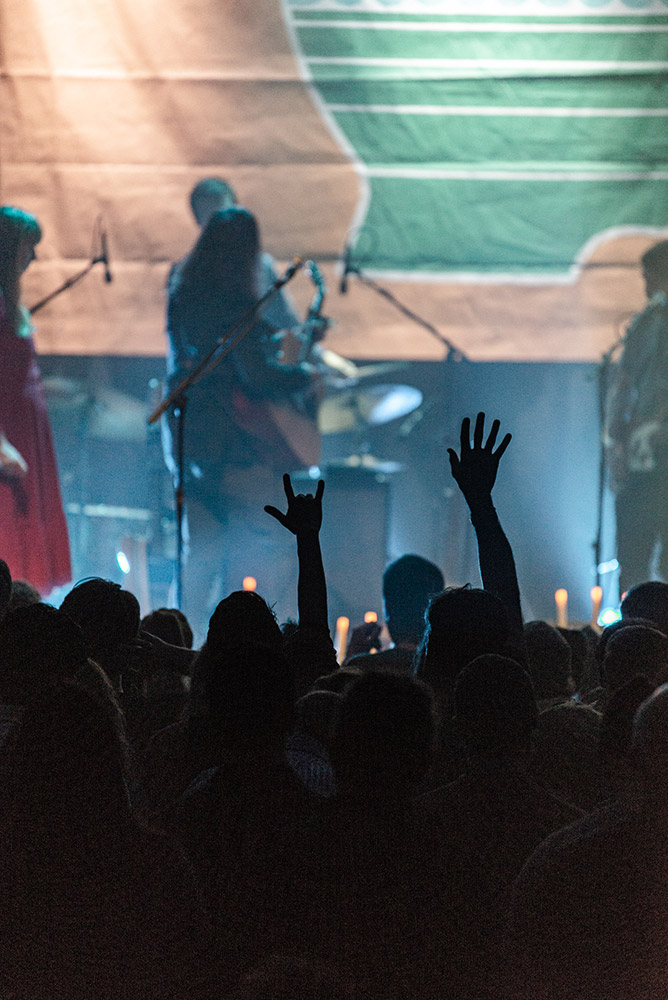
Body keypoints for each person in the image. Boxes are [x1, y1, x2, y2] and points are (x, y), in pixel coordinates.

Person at [163, 206, 322, 637]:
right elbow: (256, 376)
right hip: (231, 444)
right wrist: (304, 374)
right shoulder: (236, 304)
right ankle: (253, 643)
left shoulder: (182, 295)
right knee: (269, 543)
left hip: (188, 438)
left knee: (200, 552)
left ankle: (182, 645)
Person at [0, 206, 71, 596]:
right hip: (9, 431)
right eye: (28, 247)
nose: (33, 257)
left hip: (24, 428)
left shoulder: (10, 303)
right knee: (10, 523)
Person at [605, 240, 668, 595]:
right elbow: (624, 380)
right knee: (633, 555)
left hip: (657, 452)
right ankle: (632, 617)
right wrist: (617, 440)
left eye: (652, 277)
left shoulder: (654, 321)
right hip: (642, 458)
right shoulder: (646, 322)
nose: (647, 286)